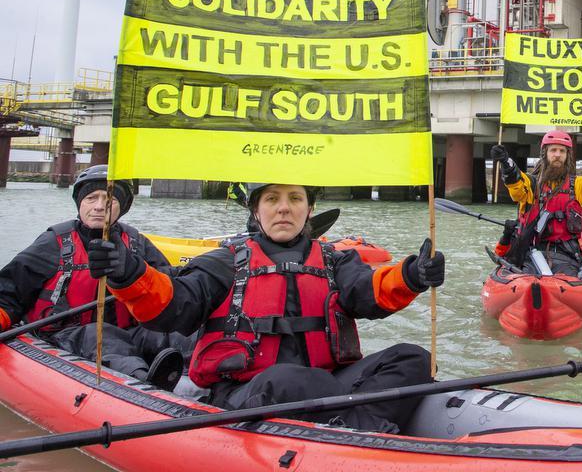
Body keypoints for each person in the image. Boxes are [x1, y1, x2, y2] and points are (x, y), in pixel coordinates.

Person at [88, 183, 444, 432]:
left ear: (309, 209)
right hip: (247, 391)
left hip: (327, 381)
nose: (284, 207)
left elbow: (370, 293)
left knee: (413, 358)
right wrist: (129, 274)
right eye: (272, 199)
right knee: (286, 379)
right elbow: (174, 306)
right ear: (256, 211)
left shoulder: (336, 261)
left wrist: (413, 274)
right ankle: (362, 421)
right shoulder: (224, 262)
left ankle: (354, 426)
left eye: (295, 198)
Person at [0, 165, 184, 389]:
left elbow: (169, 289)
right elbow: (8, 293)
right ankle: (145, 385)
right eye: (91, 198)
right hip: (66, 335)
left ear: (122, 207)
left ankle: (198, 381)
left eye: (109, 200)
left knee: (174, 334)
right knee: (101, 337)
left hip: (129, 331)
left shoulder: (136, 242)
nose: (99, 207)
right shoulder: (53, 243)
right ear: (79, 204)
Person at [490, 131, 582, 277]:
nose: (558, 155)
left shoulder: (578, 186)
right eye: (553, 150)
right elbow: (516, 182)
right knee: (527, 275)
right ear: (545, 154)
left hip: (567, 256)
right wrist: (505, 162)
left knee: (566, 275)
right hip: (532, 254)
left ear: (567, 156)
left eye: (562, 151)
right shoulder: (531, 185)